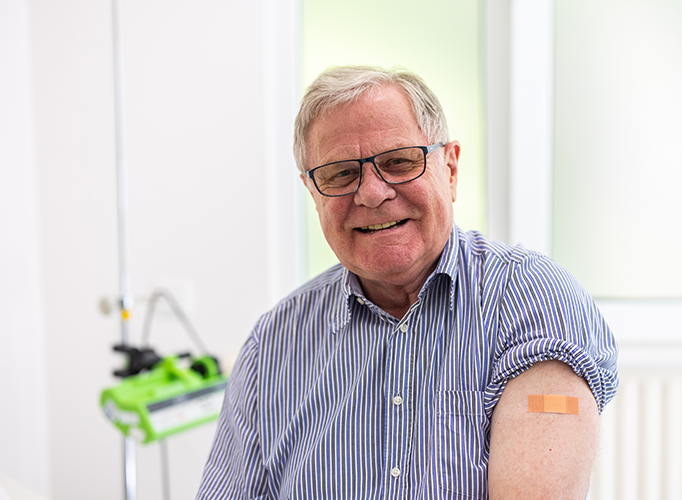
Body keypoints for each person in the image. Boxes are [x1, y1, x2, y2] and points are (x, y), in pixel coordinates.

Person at [196, 65, 618, 499]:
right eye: (341, 173)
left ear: (450, 169)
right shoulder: (272, 347)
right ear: (312, 191)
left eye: (399, 162)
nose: (372, 193)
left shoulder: (530, 300)